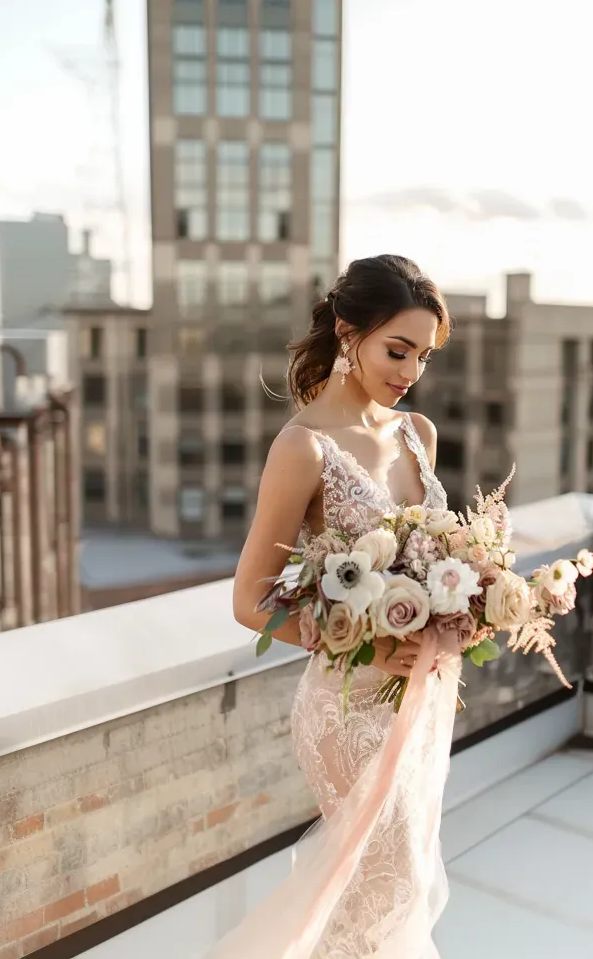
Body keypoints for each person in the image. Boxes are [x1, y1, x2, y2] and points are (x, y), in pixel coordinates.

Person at [219, 255, 456, 959]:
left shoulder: (420, 434)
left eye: (424, 354)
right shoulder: (303, 448)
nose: (411, 370)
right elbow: (249, 600)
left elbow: (436, 563)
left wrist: (457, 610)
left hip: (420, 699)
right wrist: (372, 647)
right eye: (398, 349)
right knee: (382, 893)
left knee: (396, 885)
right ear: (349, 333)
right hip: (347, 707)